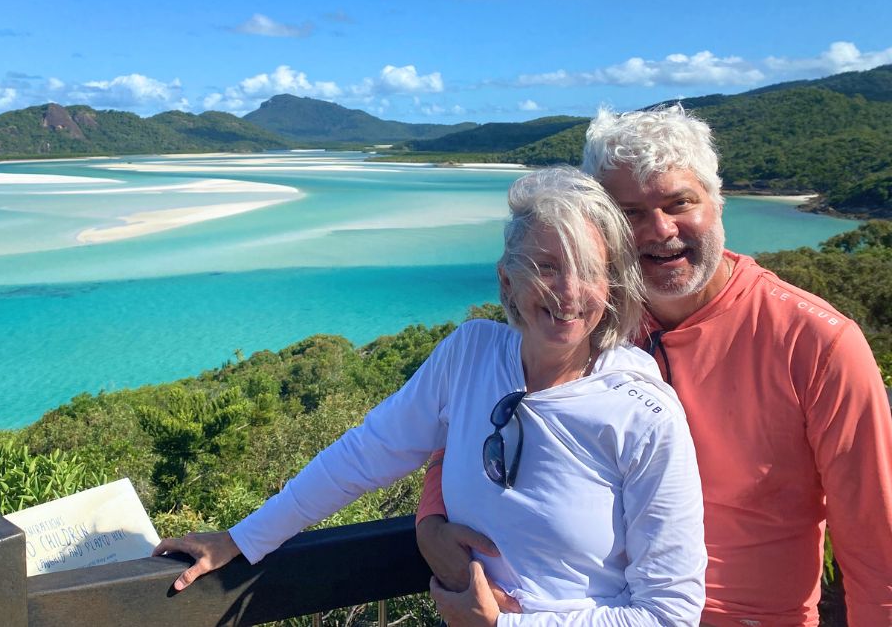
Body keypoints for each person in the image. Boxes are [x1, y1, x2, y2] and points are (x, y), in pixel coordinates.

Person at [154, 167, 708, 625]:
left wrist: (505, 625)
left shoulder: (642, 414)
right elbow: (367, 453)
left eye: (589, 271)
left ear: (610, 287)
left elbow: (671, 612)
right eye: (545, 267)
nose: (568, 292)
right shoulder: (470, 355)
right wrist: (243, 538)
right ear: (506, 281)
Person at [416, 106, 892, 626]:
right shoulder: (585, 315)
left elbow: (876, 547)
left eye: (679, 202)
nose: (660, 230)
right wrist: (431, 519)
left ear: (716, 202)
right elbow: (477, 408)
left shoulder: (816, 343)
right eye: (631, 213)